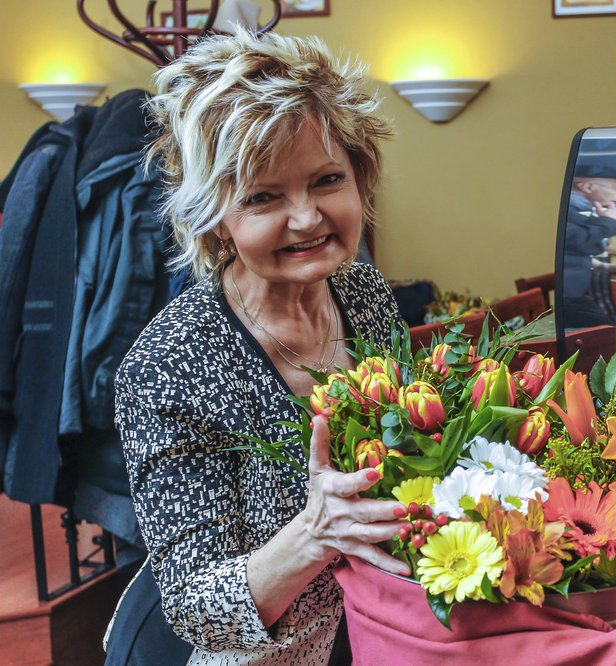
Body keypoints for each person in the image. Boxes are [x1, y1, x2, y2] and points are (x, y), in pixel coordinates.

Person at [111, 29, 410, 663]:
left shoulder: (362, 293)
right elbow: (195, 609)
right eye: (263, 196)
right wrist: (315, 535)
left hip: (370, 633)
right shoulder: (169, 364)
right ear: (214, 214)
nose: (306, 218)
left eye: (327, 179)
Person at [562, 164, 616, 327]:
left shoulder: (583, 208)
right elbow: (579, 241)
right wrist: (608, 221)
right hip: (570, 293)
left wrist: (601, 223)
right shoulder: (569, 207)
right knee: (606, 332)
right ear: (587, 186)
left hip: (576, 288)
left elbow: (585, 245)